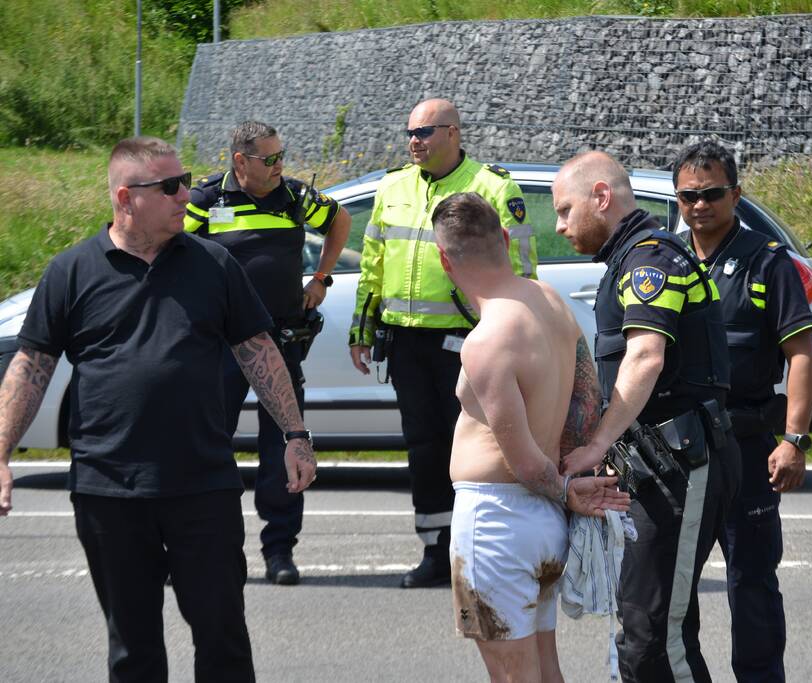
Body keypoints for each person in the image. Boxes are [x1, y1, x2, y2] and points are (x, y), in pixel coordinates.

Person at [0, 136, 316, 682]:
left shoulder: (212, 263)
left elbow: (259, 351)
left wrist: (294, 433)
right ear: (126, 198)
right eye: (169, 186)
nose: (185, 195)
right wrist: (1, 452)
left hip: (203, 484)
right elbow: (32, 366)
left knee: (223, 639)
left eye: (186, 180)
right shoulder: (72, 271)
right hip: (108, 490)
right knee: (134, 649)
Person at [554, 151, 741, 682]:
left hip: (681, 465)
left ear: (602, 197)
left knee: (655, 642)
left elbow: (646, 357)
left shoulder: (649, 260)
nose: (562, 225)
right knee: (648, 628)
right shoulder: (630, 258)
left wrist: (595, 443)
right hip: (658, 466)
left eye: (567, 210)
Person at [431, 192, 630, 683]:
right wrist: (574, 480)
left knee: (513, 677)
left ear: (443, 259)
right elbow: (585, 401)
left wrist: (567, 492)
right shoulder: (551, 301)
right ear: (503, 238)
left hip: (496, 520)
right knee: (545, 672)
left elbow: (520, 459)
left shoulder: (487, 341)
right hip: (543, 522)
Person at [348, 98, 538, 589]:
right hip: (408, 343)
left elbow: (523, 269)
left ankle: (477, 551)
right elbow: (373, 263)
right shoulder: (391, 187)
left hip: (468, 341)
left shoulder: (492, 187)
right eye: (410, 131)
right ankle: (436, 550)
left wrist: (515, 334)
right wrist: (362, 330)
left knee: (477, 447)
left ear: (453, 133)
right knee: (423, 448)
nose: (414, 140)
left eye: (426, 131)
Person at [674, 140, 812, 682]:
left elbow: (800, 354)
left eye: (712, 193)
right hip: (682, 451)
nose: (700, 205)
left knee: (751, 584)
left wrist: (794, 441)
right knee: (674, 585)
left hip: (748, 445)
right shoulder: (668, 259)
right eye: (689, 195)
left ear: (735, 194)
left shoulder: (767, 261)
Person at [184, 120, 351, 585]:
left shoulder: (294, 198)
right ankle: (205, 546)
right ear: (240, 161)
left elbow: (339, 219)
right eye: (270, 159)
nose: (281, 165)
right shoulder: (205, 202)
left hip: (281, 340)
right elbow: (169, 248)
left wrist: (320, 279)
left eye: (282, 156)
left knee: (284, 443)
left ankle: (280, 551)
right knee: (207, 443)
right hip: (221, 345)